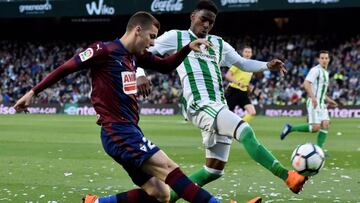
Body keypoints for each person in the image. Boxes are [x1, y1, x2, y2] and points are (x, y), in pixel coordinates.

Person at [13, 11, 223, 203]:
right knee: (170, 169)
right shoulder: (103, 50)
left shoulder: (134, 57)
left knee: (161, 194)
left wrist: (187, 48)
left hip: (128, 130)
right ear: (137, 30)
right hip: (118, 131)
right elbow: (67, 67)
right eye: (151, 36)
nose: (152, 43)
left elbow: (166, 65)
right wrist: (33, 93)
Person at [137, 1, 308, 202]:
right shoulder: (177, 37)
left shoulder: (218, 44)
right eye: (203, 19)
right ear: (192, 16)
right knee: (245, 131)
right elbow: (142, 52)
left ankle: (161, 200)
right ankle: (287, 176)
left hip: (218, 105)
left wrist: (266, 65)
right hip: (199, 104)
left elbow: (242, 63)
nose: (207, 25)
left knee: (213, 169)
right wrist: (139, 74)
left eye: (211, 22)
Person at [280, 50, 338, 148]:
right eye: (322, 58)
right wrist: (313, 98)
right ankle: (290, 128)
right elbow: (306, 84)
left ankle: (319, 150)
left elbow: (321, 92)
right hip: (313, 102)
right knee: (315, 128)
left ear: (329, 60)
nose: (324, 60)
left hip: (321, 103)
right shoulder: (315, 70)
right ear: (318, 60)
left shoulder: (326, 73)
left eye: (326, 58)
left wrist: (330, 100)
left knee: (326, 124)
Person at [225, 46, 257, 123]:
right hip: (233, 91)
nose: (247, 54)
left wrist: (249, 87)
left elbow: (245, 81)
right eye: (246, 52)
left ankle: (239, 126)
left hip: (243, 93)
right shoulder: (238, 63)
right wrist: (238, 82)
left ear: (251, 54)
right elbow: (228, 75)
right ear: (242, 53)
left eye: (249, 52)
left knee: (252, 112)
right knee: (227, 115)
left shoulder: (251, 66)